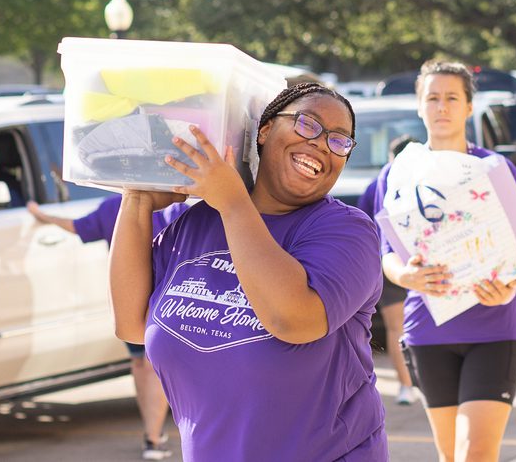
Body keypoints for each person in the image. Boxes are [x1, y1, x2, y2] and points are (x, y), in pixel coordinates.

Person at [109, 83, 388, 461]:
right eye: (308, 124)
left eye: (340, 141)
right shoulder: (196, 221)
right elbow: (131, 323)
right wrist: (136, 198)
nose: (322, 143)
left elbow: (292, 320)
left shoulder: (347, 230)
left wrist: (233, 202)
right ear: (265, 129)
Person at [377, 61, 516, 462]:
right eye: (433, 98)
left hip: (495, 327)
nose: (442, 107)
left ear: (469, 106)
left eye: (452, 98)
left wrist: (512, 285)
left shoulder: (495, 168)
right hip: (427, 331)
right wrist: (407, 276)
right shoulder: (396, 173)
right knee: (450, 456)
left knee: (475, 453)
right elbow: (386, 254)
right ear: (419, 105)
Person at [27, 196, 188, 460]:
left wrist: (40, 214)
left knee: (141, 365)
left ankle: (153, 436)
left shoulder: (118, 205)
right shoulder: (176, 204)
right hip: (165, 298)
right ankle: (154, 437)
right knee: (150, 367)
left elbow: (76, 226)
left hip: (131, 297)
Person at [358, 135, 419, 406]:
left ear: (391, 158)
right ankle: (419, 382)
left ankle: (407, 386)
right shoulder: (425, 180)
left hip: (386, 261)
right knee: (420, 324)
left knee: (397, 328)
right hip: (422, 260)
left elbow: (361, 226)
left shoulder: (377, 184)